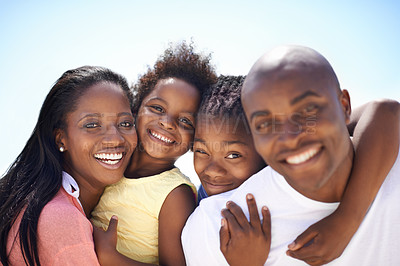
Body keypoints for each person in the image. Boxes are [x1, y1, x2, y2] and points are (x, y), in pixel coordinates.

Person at [182, 46, 400, 265]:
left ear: (345, 107)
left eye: (308, 111)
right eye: (265, 124)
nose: (289, 137)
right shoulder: (214, 228)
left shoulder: (385, 153)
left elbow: (385, 111)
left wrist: (347, 219)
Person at [91, 41, 217, 265]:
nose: (168, 123)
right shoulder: (110, 162)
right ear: (136, 108)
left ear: (194, 140)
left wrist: (110, 257)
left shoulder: (175, 194)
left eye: (185, 121)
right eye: (158, 108)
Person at [0, 66, 138, 265]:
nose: (115, 139)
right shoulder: (62, 219)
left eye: (125, 123)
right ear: (61, 139)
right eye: (91, 125)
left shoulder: (44, 202)